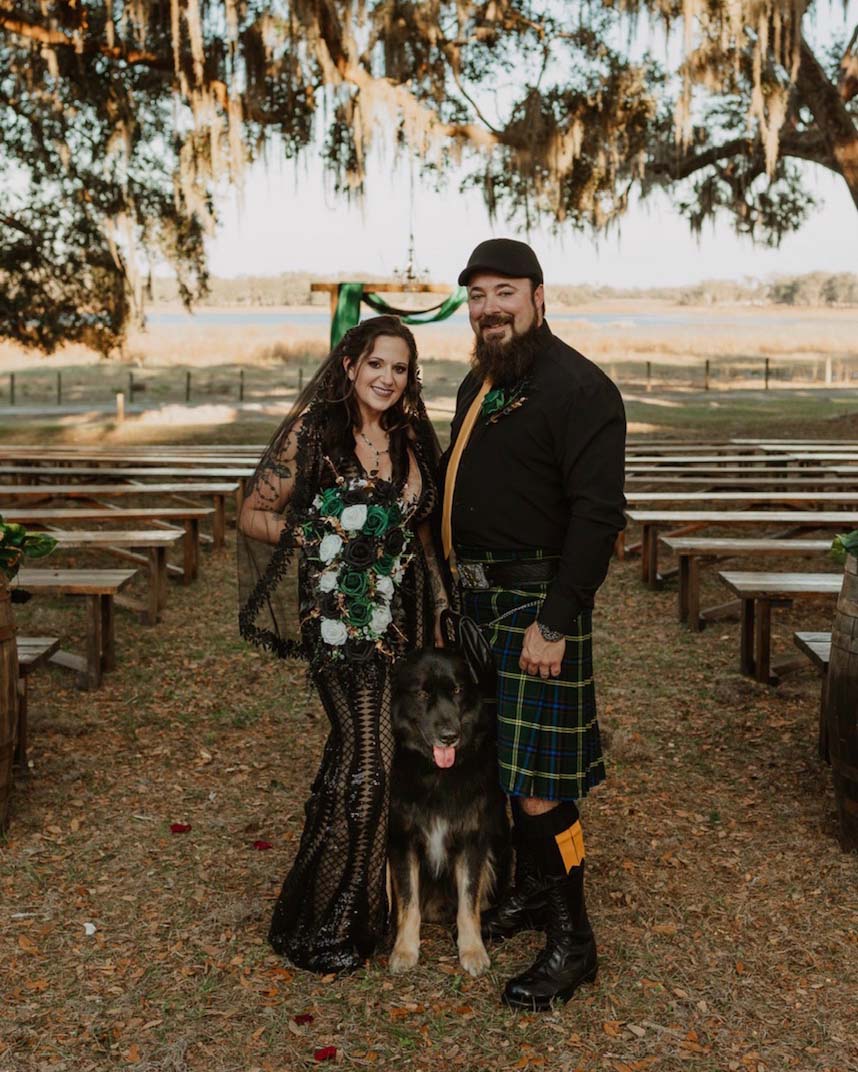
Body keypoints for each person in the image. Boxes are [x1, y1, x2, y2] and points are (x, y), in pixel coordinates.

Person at [441, 238, 626, 1010]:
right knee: (501, 769)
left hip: (534, 606)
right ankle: (524, 896)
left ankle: (573, 939)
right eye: (477, 295)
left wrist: (554, 620)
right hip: (477, 603)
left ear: (538, 297)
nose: (488, 307)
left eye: (504, 292)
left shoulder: (580, 387)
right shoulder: (479, 384)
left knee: (541, 789)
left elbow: (597, 514)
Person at [237, 315, 448, 975]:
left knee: (364, 754)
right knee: (370, 759)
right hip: (340, 620)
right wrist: (320, 535)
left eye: (401, 368)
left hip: (405, 619)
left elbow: (426, 535)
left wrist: (441, 606)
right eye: (377, 364)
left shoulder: (413, 439)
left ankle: (332, 895)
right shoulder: (314, 435)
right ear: (351, 364)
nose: (388, 378)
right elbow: (251, 512)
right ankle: (339, 917)